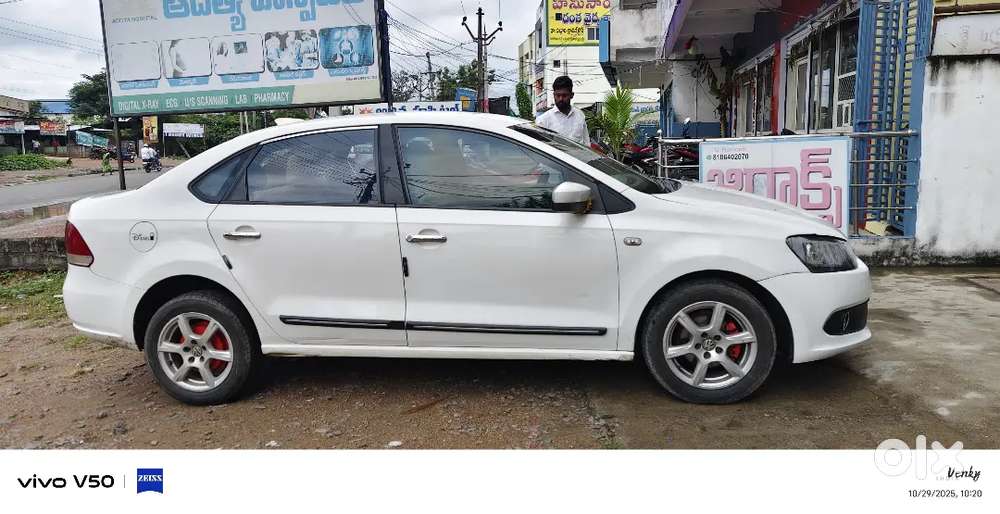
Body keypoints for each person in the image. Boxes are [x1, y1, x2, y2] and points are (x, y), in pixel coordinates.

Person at [536, 76, 590, 147]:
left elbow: (586, 144)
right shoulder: (543, 120)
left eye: (564, 95)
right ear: (554, 95)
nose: (561, 99)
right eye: (558, 95)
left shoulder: (579, 115)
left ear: (571, 95)